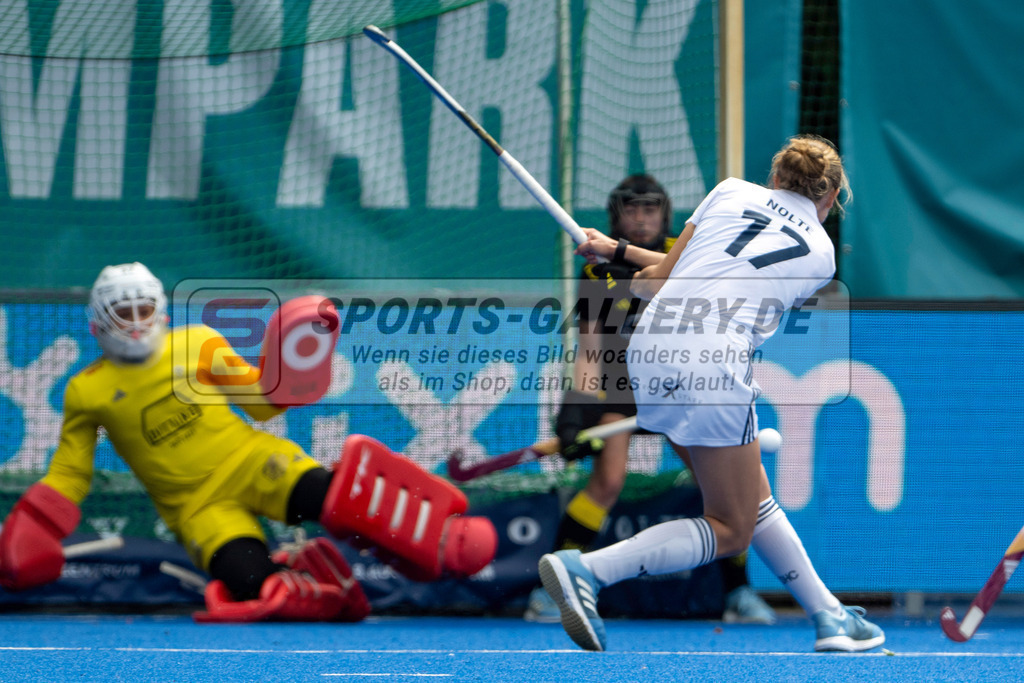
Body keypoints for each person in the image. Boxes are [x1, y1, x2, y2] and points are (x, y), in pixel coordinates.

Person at [538, 136, 885, 652]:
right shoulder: (822, 255)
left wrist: (614, 253)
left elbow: (663, 278)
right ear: (831, 198)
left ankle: (830, 615)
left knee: (751, 494)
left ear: (774, 178)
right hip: (713, 359)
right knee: (731, 526)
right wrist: (626, 264)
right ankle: (586, 569)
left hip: (648, 345)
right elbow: (711, 279)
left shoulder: (727, 192)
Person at [0, 263, 497, 622]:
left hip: (254, 461)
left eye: (142, 307)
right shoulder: (86, 390)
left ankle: (441, 536)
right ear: (97, 324)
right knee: (255, 585)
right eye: (121, 312)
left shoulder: (196, 343)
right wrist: (36, 524)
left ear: (161, 311)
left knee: (337, 497)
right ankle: (312, 580)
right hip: (197, 509)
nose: (133, 321)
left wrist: (291, 371)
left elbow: (259, 401)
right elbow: (70, 470)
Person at [524, 175, 775, 625]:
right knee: (607, 482)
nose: (641, 219)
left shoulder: (683, 249)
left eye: (650, 209)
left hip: (683, 388)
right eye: (631, 210)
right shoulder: (595, 271)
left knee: (720, 491)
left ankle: (739, 592)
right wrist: (574, 412)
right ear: (615, 216)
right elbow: (591, 349)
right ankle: (553, 589)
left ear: (665, 213)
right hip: (624, 391)